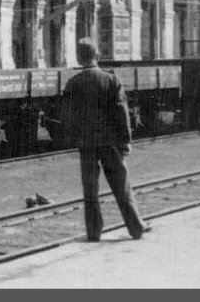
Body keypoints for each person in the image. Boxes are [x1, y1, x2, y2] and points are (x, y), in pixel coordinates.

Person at [63, 37, 147, 242]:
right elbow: (121, 112)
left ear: (79, 58)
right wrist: (125, 140)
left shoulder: (73, 83)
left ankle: (94, 232)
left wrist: (75, 139)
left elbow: (68, 116)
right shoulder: (111, 80)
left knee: (90, 191)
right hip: (111, 143)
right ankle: (136, 228)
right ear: (97, 56)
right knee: (122, 186)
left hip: (87, 145)